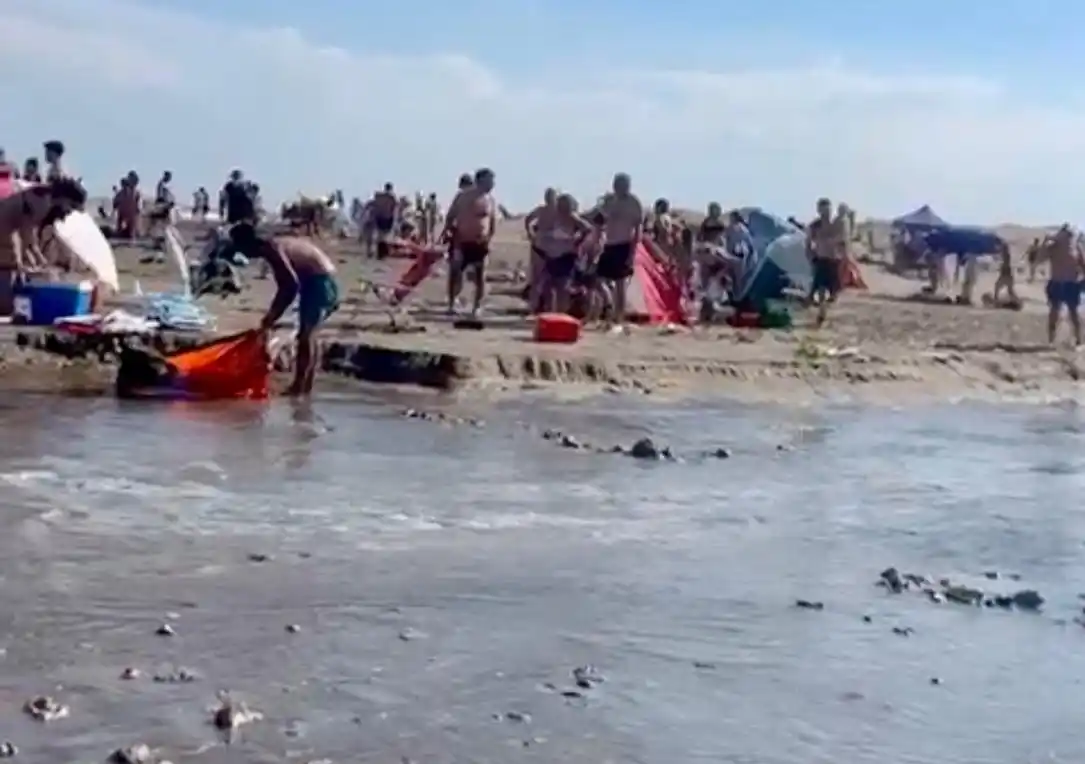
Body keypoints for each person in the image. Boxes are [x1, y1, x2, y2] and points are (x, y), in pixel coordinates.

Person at [228, 223, 340, 396]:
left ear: (249, 243)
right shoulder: (274, 246)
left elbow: (290, 285)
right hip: (320, 280)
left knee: (306, 336)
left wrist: (272, 316)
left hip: (319, 282)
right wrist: (274, 314)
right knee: (309, 336)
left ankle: (298, 387)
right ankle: (304, 388)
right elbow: (287, 284)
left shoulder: (272, 249)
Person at [0, 178, 87, 312]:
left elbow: (27, 236)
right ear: (65, 198)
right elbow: (27, 235)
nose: (69, 211)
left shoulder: (42, 197)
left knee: (21, 266)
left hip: (9, 230)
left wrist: (37, 260)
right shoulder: (42, 203)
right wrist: (41, 263)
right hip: (4, 230)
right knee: (13, 266)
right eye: (71, 206)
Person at [443, 168, 496, 317]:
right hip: (462, 241)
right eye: (490, 180)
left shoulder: (490, 200)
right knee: (456, 272)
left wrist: (489, 239)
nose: (492, 184)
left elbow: (491, 222)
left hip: (481, 243)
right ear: (480, 180)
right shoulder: (463, 197)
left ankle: (477, 306)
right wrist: (449, 232)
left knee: (480, 276)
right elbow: (451, 216)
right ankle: (451, 303)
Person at [593, 173, 644, 326]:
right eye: (617, 184)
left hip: (624, 243)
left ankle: (619, 317)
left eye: (622, 184)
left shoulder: (633, 202)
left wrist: (633, 251)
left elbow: (638, 227)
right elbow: (599, 218)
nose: (619, 187)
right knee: (597, 278)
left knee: (620, 283)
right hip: (609, 243)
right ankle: (608, 304)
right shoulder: (610, 200)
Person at [534, 193, 592, 314]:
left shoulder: (571, 217)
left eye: (564, 205)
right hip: (551, 256)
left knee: (563, 288)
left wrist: (577, 241)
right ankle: (549, 311)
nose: (561, 207)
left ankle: (561, 313)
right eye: (559, 204)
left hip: (565, 256)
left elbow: (587, 228)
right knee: (547, 286)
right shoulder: (553, 217)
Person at [1037, 224, 1084, 345]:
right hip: (1057, 282)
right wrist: (1045, 243)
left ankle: (1078, 340)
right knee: (1054, 312)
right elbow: (1039, 259)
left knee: (1073, 313)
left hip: (1071, 283)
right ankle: (1051, 340)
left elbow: (1083, 265)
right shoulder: (1054, 247)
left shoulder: (1076, 248)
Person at [805, 197, 846, 326]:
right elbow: (807, 243)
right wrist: (810, 256)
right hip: (821, 259)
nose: (826, 213)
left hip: (834, 260)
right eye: (823, 210)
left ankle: (823, 306)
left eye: (828, 210)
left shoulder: (836, 224)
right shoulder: (815, 226)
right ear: (819, 211)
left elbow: (843, 241)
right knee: (821, 289)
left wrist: (843, 255)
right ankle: (821, 313)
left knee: (835, 292)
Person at [524, 188, 557, 313]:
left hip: (553, 250)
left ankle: (550, 308)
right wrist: (530, 233)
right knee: (536, 278)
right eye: (547, 196)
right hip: (539, 247)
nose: (549, 199)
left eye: (551, 196)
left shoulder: (559, 212)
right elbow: (528, 219)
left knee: (551, 280)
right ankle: (533, 306)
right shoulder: (541, 210)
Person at [371, 183, 398, 259]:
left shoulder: (379, 196)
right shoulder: (391, 197)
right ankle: (382, 254)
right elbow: (393, 208)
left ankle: (380, 253)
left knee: (380, 235)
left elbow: (374, 205)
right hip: (387, 217)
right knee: (385, 236)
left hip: (379, 217)